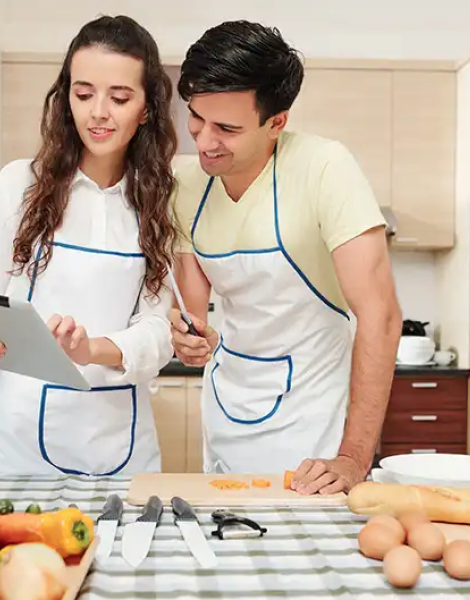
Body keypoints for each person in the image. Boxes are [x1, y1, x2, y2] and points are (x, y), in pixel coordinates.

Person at [170, 20, 402, 494]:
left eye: (227, 128)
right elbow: (192, 313)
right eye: (196, 117)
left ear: (277, 122)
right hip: (228, 403)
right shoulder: (184, 187)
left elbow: (381, 315)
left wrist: (354, 457)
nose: (205, 141)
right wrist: (186, 336)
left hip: (314, 415)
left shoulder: (324, 169)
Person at [0, 15, 178, 478]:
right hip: (17, 444)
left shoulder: (162, 199)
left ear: (147, 108)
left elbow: (159, 334)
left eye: (120, 97)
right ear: (66, 96)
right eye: (84, 92)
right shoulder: (19, 184)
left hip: (117, 447)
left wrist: (90, 348)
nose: (98, 112)